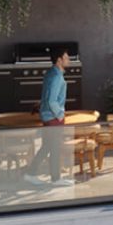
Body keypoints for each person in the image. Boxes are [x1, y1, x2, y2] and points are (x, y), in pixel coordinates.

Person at [37, 50, 71, 180]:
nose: (68, 61)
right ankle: (56, 179)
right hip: (53, 117)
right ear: (59, 60)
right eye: (66, 58)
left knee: (47, 147)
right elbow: (52, 100)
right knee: (55, 149)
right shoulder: (57, 76)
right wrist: (60, 115)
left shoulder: (50, 73)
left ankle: (31, 173)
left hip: (47, 116)